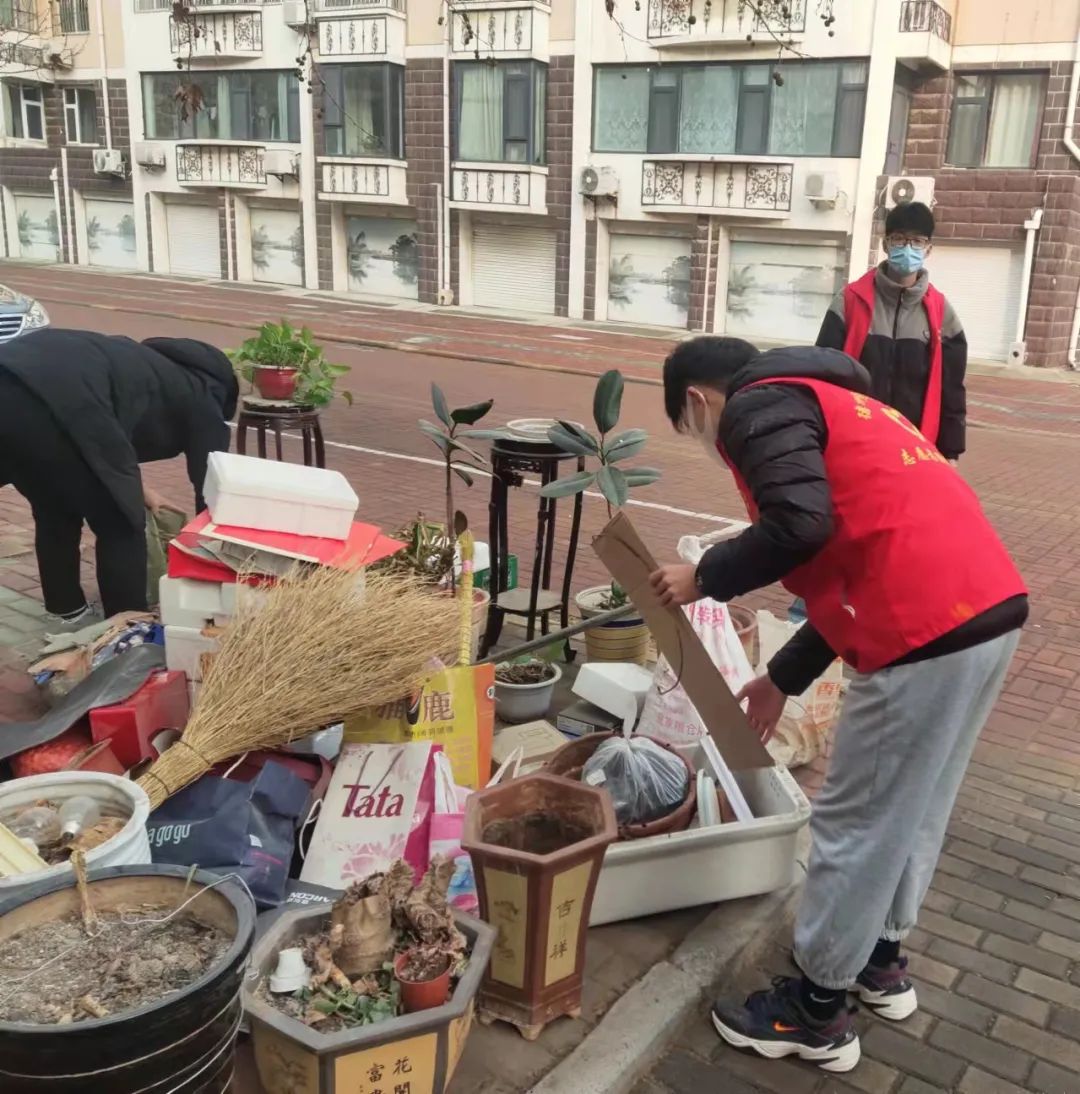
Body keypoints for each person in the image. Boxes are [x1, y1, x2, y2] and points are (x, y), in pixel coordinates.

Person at [650, 336, 1027, 1075]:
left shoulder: (756, 407)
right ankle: (880, 962)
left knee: (857, 823)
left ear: (697, 401)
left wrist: (704, 576)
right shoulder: (844, 404)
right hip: (986, 611)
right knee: (917, 806)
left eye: (693, 430)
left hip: (922, 627)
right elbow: (854, 556)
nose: (710, 445)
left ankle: (817, 1012)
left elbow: (800, 527)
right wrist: (780, 678)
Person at [0, 329, 238, 623]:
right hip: (64, 401)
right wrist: (215, 556)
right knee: (120, 523)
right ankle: (125, 626)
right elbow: (212, 485)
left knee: (54, 507)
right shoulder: (203, 393)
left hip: (11, 371)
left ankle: (66, 609)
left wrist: (141, 491)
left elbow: (100, 455)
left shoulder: (142, 363)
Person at [818, 200, 967, 464]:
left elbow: (951, 390)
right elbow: (822, 373)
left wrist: (950, 451)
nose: (908, 248)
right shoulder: (850, 302)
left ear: (928, 249)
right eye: (899, 239)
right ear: (886, 244)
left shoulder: (941, 313)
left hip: (914, 448)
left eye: (917, 241)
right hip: (856, 442)